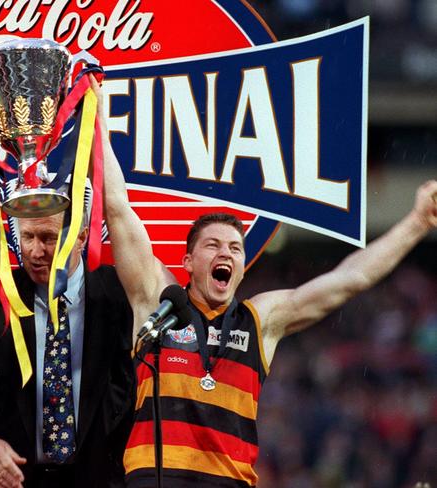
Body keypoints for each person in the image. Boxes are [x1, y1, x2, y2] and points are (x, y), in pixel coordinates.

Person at [95, 77, 437, 487]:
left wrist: (417, 224)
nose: (226, 253)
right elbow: (117, 209)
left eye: (235, 249)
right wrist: (95, 115)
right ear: (187, 260)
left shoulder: (260, 321)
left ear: (242, 266)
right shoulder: (157, 301)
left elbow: (351, 278)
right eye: (213, 246)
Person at [0, 211, 135, 487]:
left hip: (96, 478)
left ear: (81, 237)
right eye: (27, 237)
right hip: (10, 481)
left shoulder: (120, 293)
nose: (35, 252)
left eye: (49, 238)